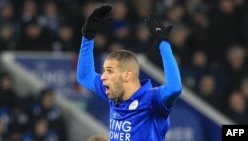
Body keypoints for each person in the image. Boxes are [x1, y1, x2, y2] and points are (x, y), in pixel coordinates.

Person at [77, 5, 182, 141]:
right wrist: (88, 36)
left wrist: (163, 43)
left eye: (110, 71)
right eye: (104, 71)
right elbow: (84, 76)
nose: (103, 76)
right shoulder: (113, 95)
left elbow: (175, 88)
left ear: (127, 75)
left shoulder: (151, 100)